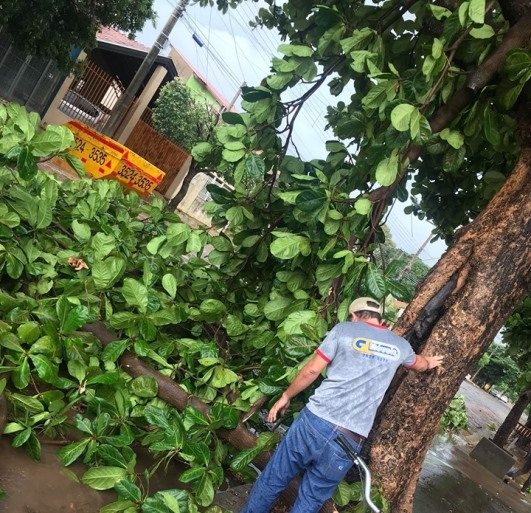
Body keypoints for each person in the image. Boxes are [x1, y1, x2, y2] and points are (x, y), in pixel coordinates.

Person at [240, 297, 444, 513]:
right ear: (379, 319)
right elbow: (420, 364)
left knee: (273, 480)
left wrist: (286, 395)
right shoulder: (400, 346)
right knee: (310, 501)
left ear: (354, 315)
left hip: (314, 423)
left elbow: (311, 370)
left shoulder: (344, 330)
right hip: (348, 439)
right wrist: (430, 362)